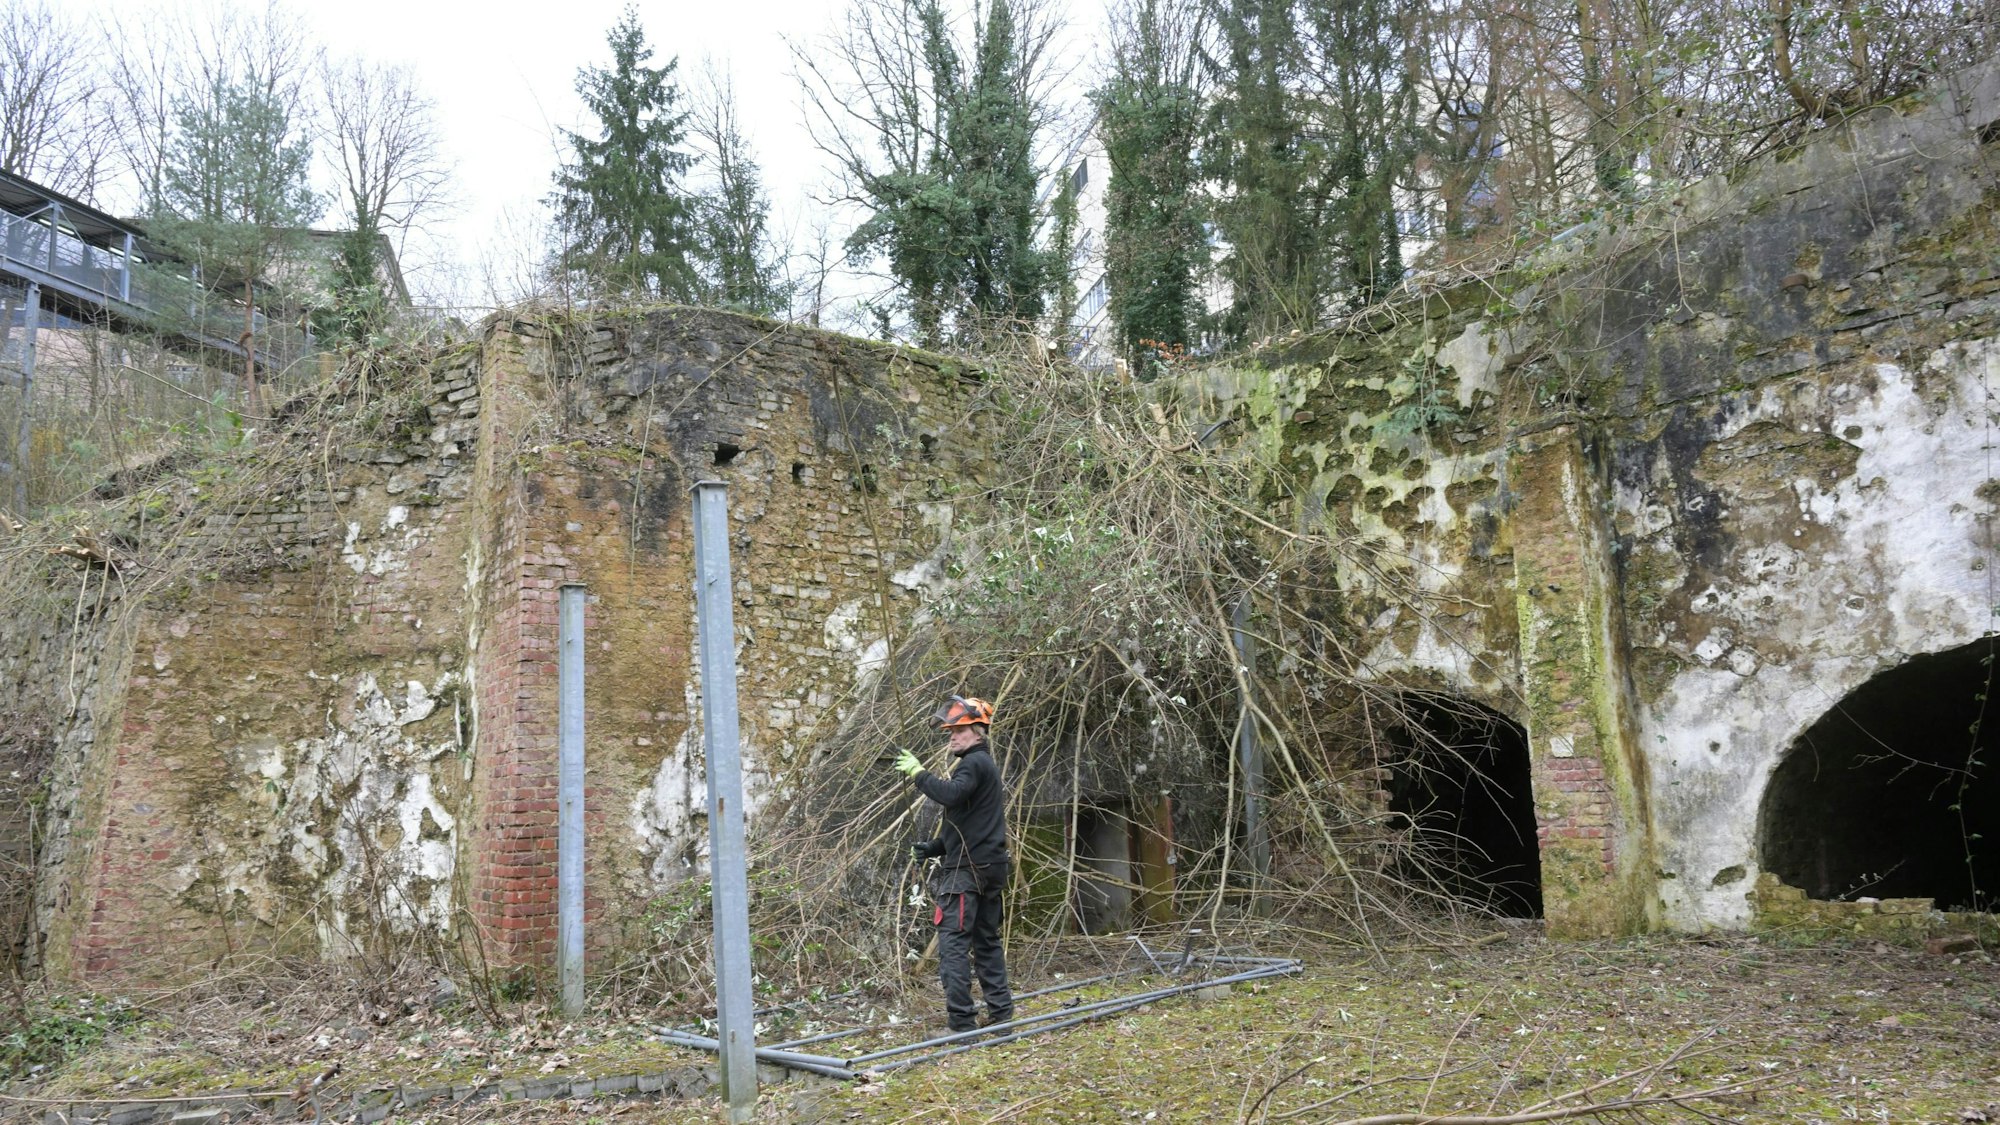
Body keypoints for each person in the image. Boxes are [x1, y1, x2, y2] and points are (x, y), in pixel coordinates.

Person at [895, 695, 1015, 1035]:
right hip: (989, 866)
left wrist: (918, 772)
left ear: (978, 731)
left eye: (959, 731)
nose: (952, 736)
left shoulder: (973, 764)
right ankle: (1001, 1016)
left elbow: (950, 795)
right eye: (950, 731)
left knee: (953, 947)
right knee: (986, 942)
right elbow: (966, 824)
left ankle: (962, 1024)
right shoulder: (982, 765)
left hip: (967, 873)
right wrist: (933, 848)